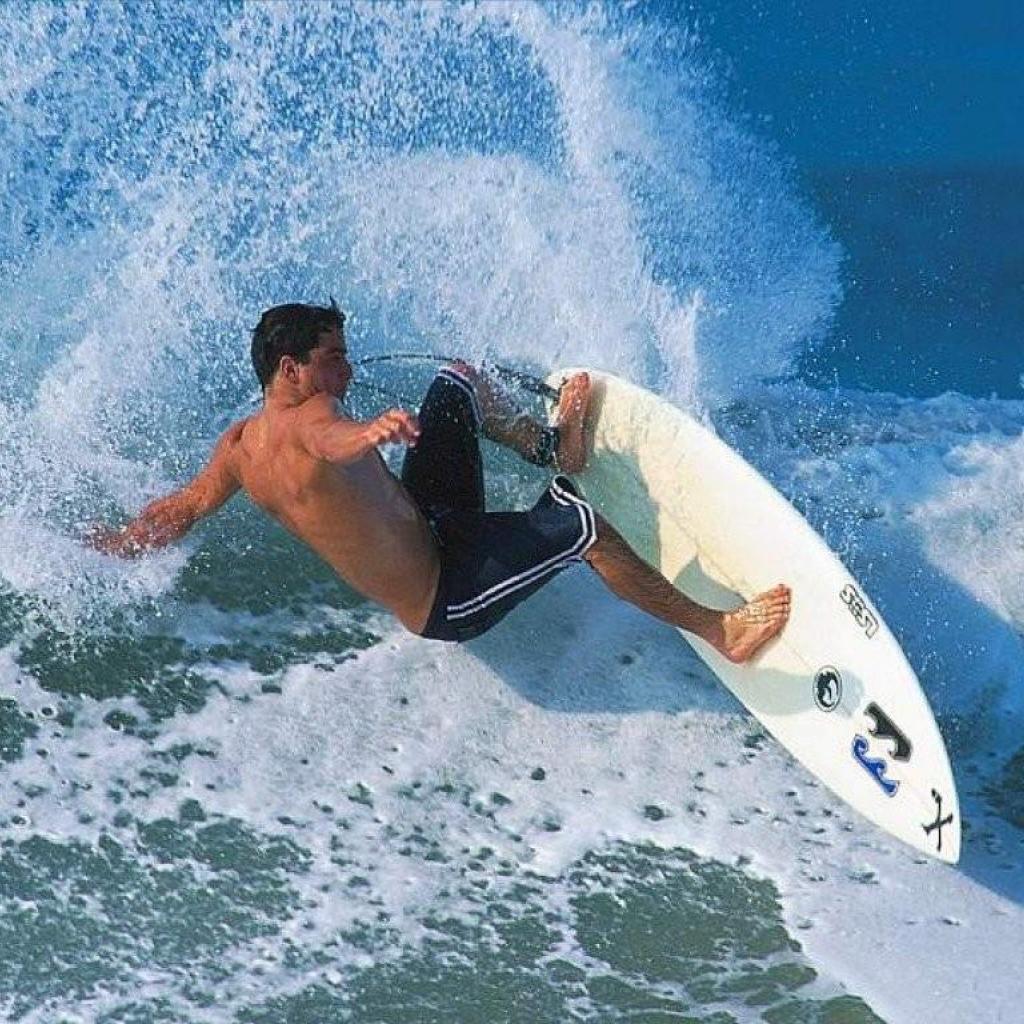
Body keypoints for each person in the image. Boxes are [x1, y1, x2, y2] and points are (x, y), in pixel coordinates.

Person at [88, 302, 790, 660]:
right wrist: (370, 433)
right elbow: (328, 440)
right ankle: (719, 629)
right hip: (446, 594)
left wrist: (125, 541)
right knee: (584, 527)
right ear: (290, 368)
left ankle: (554, 445)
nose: (347, 370)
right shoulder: (315, 418)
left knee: (455, 381)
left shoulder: (239, 447)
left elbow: (187, 505)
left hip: (430, 521)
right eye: (333, 358)